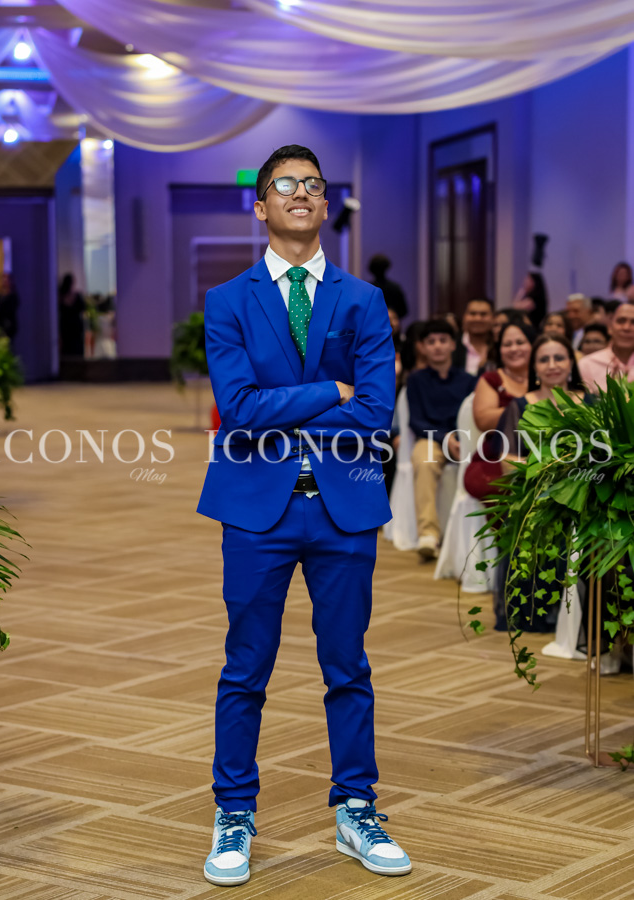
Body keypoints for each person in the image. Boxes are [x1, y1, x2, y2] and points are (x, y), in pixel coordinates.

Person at [197, 145, 411, 886]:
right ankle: (234, 812)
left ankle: (357, 807)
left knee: (348, 666)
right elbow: (240, 411)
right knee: (245, 668)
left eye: (313, 185)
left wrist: (301, 405)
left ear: (325, 206)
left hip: (343, 508)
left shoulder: (363, 301)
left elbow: (376, 413)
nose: (300, 192)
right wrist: (331, 391)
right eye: (284, 184)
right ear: (261, 206)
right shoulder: (227, 301)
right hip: (256, 512)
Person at [493, 334, 584, 630]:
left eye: (559, 358)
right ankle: (536, 609)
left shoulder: (589, 402)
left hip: (584, 494)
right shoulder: (520, 405)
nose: (552, 365)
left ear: (571, 363)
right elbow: (508, 462)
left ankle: (581, 615)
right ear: (534, 367)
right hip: (535, 495)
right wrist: (551, 470)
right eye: (544, 359)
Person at [407, 319, 476, 560]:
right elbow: (416, 421)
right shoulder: (416, 380)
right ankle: (428, 534)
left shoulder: (468, 380)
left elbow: (472, 417)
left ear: (453, 345)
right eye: (431, 341)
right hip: (431, 438)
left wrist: (460, 440)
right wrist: (444, 438)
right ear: (423, 347)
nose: (437, 346)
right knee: (424, 460)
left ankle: (473, 536)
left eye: (443, 340)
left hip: (464, 439)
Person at [464, 321, 535, 501]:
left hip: (544, 454)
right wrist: (526, 408)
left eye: (520, 342)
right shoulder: (492, 379)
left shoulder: (546, 378)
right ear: (499, 349)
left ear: (534, 345)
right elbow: (483, 420)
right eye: (507, 344)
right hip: (496, 455)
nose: (514, 349)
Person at [579, 300, 634, 390]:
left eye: (633, 322)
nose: (626, 327)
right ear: (610, 327)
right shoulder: (587, 364)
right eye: (621, 321)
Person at [453, 297, 494, 375]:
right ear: (464, 317)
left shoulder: (500, 347)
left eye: (483, 314)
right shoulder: (452, 346)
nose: (478, 319)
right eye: (472, 314)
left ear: (493, 318)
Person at [368, 253, 407, 319]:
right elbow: (403, 311)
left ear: (371, 269)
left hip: (373, 322)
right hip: (391, 323)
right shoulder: (395, 287)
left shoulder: (368, 288)